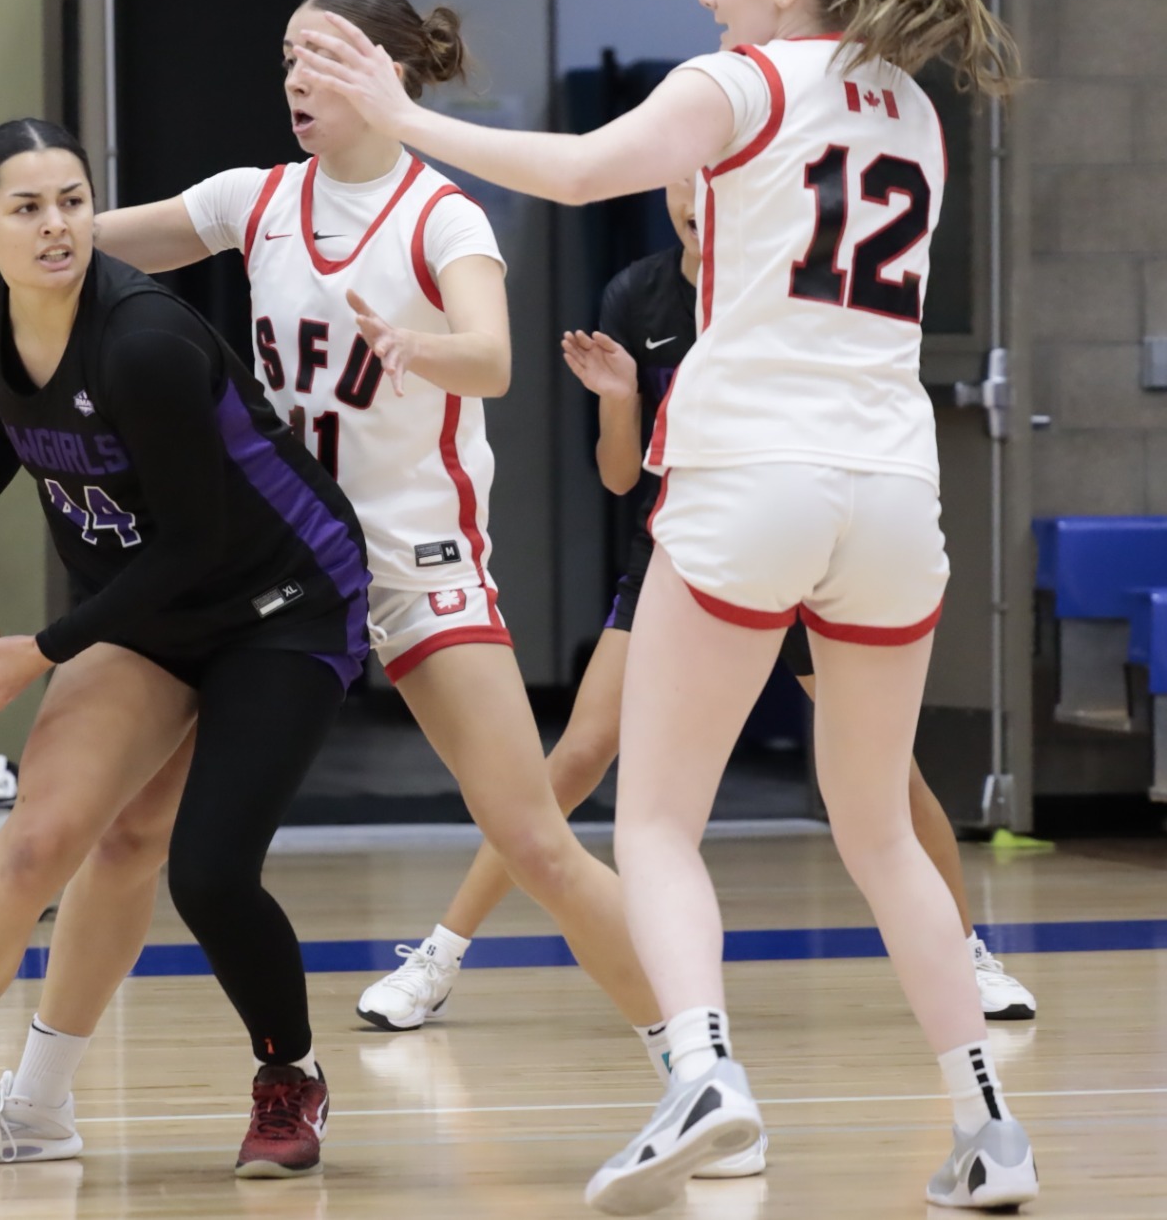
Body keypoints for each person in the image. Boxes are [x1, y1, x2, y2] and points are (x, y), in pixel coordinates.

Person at [0, 0, 681, 1178]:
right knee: (124, 840)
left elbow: (491, 360)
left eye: (319, 58)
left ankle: (696, 1068)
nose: (292, 81)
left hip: (406, 563)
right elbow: (58, 235)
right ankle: (35, 1102)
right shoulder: (257, 199)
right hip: (257, 553)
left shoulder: (441, 218)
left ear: (386, 71)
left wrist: (419, 347)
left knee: (531, 839)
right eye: (285, 58)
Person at [295, 0, 1035, 1211]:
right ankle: (989, 1128)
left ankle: (701, 1072)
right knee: (879, 827)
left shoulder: (737, 82)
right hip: (891, 487)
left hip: (752, 473)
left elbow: (581, 172)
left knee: (653, 817)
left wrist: (402, 117)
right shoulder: (912, 108)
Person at [0, 117, 372, 1195]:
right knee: (46, 841)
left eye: (72, 200)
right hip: (153, 604)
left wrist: (41, 650)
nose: (57, 225)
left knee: (205, 869)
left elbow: (198, 540)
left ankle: (289, 1075)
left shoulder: (143, 342)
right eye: (27, 208)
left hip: (283, 601)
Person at [357, 182, 1037, 1031]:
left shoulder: (791, 285)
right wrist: (618, 398)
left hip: (796, 545)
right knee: (576, 755)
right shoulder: (636, 295)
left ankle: (967, 954)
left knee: (888, 775)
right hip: (681, 551)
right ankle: (439, 953)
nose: (695, 196)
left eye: (709, 174)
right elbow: (618, 476)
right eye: (679, 179)